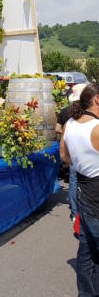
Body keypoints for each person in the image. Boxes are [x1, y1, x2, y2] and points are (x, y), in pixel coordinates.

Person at [60, 83, 99, 297]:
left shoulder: (70, 124)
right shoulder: (97, 128)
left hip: (84, 192)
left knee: (86, 251)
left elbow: (65, 158)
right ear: (97, 100)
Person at [55, 83, 86, 223]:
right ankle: (85, 213)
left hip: (71, 152)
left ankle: (75, 214)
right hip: (86, 152)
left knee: (73, 183)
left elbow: (57, 129)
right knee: (88, 184)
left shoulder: (65, 111)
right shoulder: (89, 112)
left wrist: (68, 135)